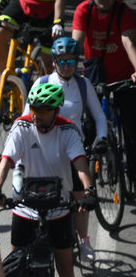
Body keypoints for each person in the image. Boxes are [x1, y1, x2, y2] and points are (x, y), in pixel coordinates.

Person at [0, 81, 99, 277]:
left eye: (44, 109)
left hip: (59, 209)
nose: (37, 114)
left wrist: (89, 189)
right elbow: (7, 159)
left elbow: (80, 163)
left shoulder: (67, 130)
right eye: (35, 108)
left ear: (56, 109)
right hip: (26, 208)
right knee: (15, 266)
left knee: (66, 270)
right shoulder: (22, 126)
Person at [31, 38, 106, 262]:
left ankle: (84, 242)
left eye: (71, 61)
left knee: (80, 197)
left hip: (75, 149)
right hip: (45, 148)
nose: (66, 66)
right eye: (61, 61)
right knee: (34, 195)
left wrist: (101, 139)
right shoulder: (42, 82)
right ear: (53, 62)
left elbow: (100, 116)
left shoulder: (83, 85)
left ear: (77, 61)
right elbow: (26, 117)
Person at [75, 0, 136, 193]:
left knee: (131, 131)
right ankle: (83, 179)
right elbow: (77, 41)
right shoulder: (84, 10)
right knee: (88, 128)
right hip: (95, 78)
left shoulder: (124, 12)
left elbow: (128, 42)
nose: (104, 0)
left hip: (123, 78)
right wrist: (68, 68)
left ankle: (134, 177)